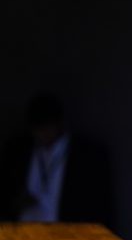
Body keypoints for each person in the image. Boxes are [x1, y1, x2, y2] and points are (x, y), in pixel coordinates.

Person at [0, 92, 112, 225]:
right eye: (39, 129)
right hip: (25, 229)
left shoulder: (86, 154)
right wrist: (15, 202)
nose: (43, 134)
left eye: (47, 128)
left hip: (66, 231)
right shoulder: (19, 150)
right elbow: (7, 191)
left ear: (60, 123)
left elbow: (99, 203)